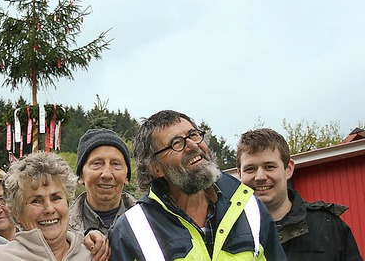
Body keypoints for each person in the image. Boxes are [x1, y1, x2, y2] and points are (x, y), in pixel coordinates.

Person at [109, 110, 286, 260]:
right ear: (155, 168)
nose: (193, 145)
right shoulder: (131, 230)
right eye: (176, 143)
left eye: (193, 134)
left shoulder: (249, 207)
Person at [236, 128, 362, 261]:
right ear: (239, 174)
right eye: (250, 169)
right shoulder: (225, 234)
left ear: (288, 169)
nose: (260, 177)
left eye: (269, 167)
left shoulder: (329, 226)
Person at [0, 152, 109, 261]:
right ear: (17, 212)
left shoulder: (96, 255)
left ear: (68, 202)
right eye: (36, 201)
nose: (49, 209)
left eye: (56, 198)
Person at [70, 128, 137, 235]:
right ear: (81, 176)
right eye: (97, 163)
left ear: (126, 177)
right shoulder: (61, 228)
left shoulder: (149, 223)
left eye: (116, 164)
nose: (107, 174)